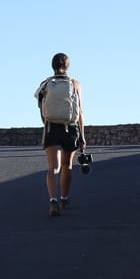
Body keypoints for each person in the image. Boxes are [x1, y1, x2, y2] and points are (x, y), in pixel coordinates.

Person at [35, 52, 86, 217]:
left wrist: (48, 124)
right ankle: (64, 198)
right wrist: (83, 137)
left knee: (53, 168)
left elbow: (41, 109)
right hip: (70, 129)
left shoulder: (45, 84)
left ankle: (53, 201)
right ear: (68, 66)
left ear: (53, 66)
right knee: (67, 166)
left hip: (52, 128)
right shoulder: (75, 84)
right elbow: (80, 113)